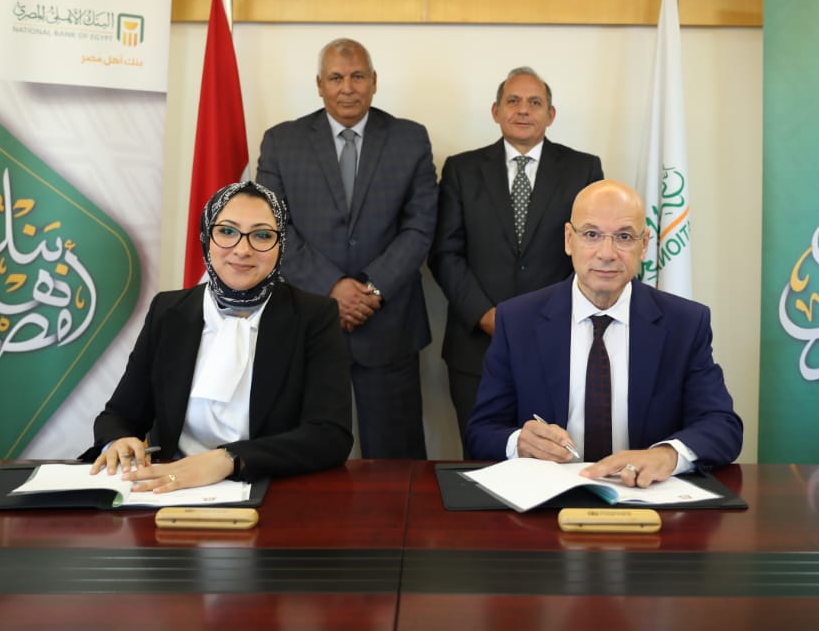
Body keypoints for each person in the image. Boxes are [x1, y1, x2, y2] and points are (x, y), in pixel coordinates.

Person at [465, 179, 742, 488]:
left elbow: (722, 426)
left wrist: (667, 455)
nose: (607, 253)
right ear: (569, 240)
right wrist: (519, 442)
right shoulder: (517, 320)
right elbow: (481, 432)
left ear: (644, 244)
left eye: (624, 237)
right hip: (548, 499)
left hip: (646, 497)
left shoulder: (685, 323)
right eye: (591, 234)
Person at [85, 181, 352, 492]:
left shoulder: (313, 316)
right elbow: (120, 415)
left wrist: (230, 460)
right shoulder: (168, 311)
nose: (242, 249)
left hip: (269, 488)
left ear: (281, 245)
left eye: (262, 235)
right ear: (206, 237)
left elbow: (330, 435)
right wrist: (118, 440)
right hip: (171, 489)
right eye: (226, 231)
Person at [256, 38, 437, 459]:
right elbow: (272, 228)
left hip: (389, 324)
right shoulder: (282, 142)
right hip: (308, 322)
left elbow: (421, 226)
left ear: (374, 81)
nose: (347, 88)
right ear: (319, 84)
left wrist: (371, 289)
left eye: (357, 76)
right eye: (336, 78)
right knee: (303, 460)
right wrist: (332, 288)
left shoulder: (410, 139)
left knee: (396, 465)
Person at [430, 67, 603, 442]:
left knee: (554, 454)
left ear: (550, 115)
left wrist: (548, 314)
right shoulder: (461, 169)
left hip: (559, 338)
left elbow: (592, 252)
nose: (523, 110)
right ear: (496, 111)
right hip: (476, 346)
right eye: (513, 101)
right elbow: (445, 252)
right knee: (482, 456)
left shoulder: (583, 169)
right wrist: (485, 315)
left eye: (535, 102)